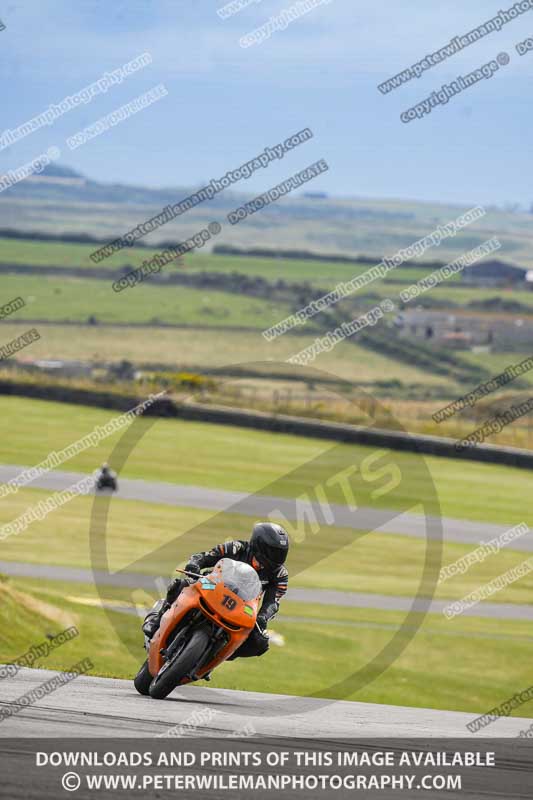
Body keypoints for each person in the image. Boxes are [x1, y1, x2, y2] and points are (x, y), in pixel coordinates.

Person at [142, 522, 289, 659]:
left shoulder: (280, 575)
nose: (277, 558)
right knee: (181, 584)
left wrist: (263, 617)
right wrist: (194, 565)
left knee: (260, 643)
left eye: (281, 553)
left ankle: (219, 654)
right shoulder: (236, 548)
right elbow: (205, 557)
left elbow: (273, 602)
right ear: (258, 545)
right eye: (273, 552)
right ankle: (157, 620)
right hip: (212, 587)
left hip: (241, 606)